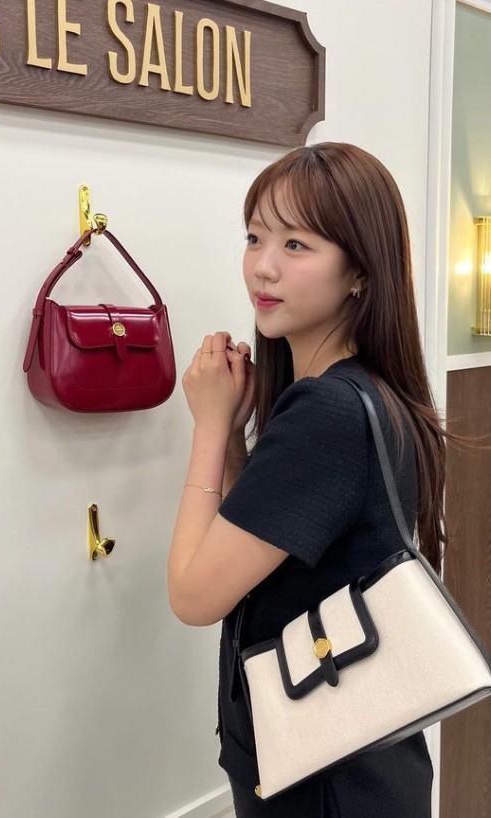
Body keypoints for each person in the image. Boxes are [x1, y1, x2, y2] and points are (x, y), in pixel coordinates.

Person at [167, 142, 444, 817]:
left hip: (324, 779)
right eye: (254, 237)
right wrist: (236, 434)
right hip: (353, 763)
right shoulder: (365, 392)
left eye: (296, 244)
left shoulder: (328, 414)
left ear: (359, 272)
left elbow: (194, 595)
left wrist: (208, 426)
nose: (263, 266)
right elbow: (257, 554)